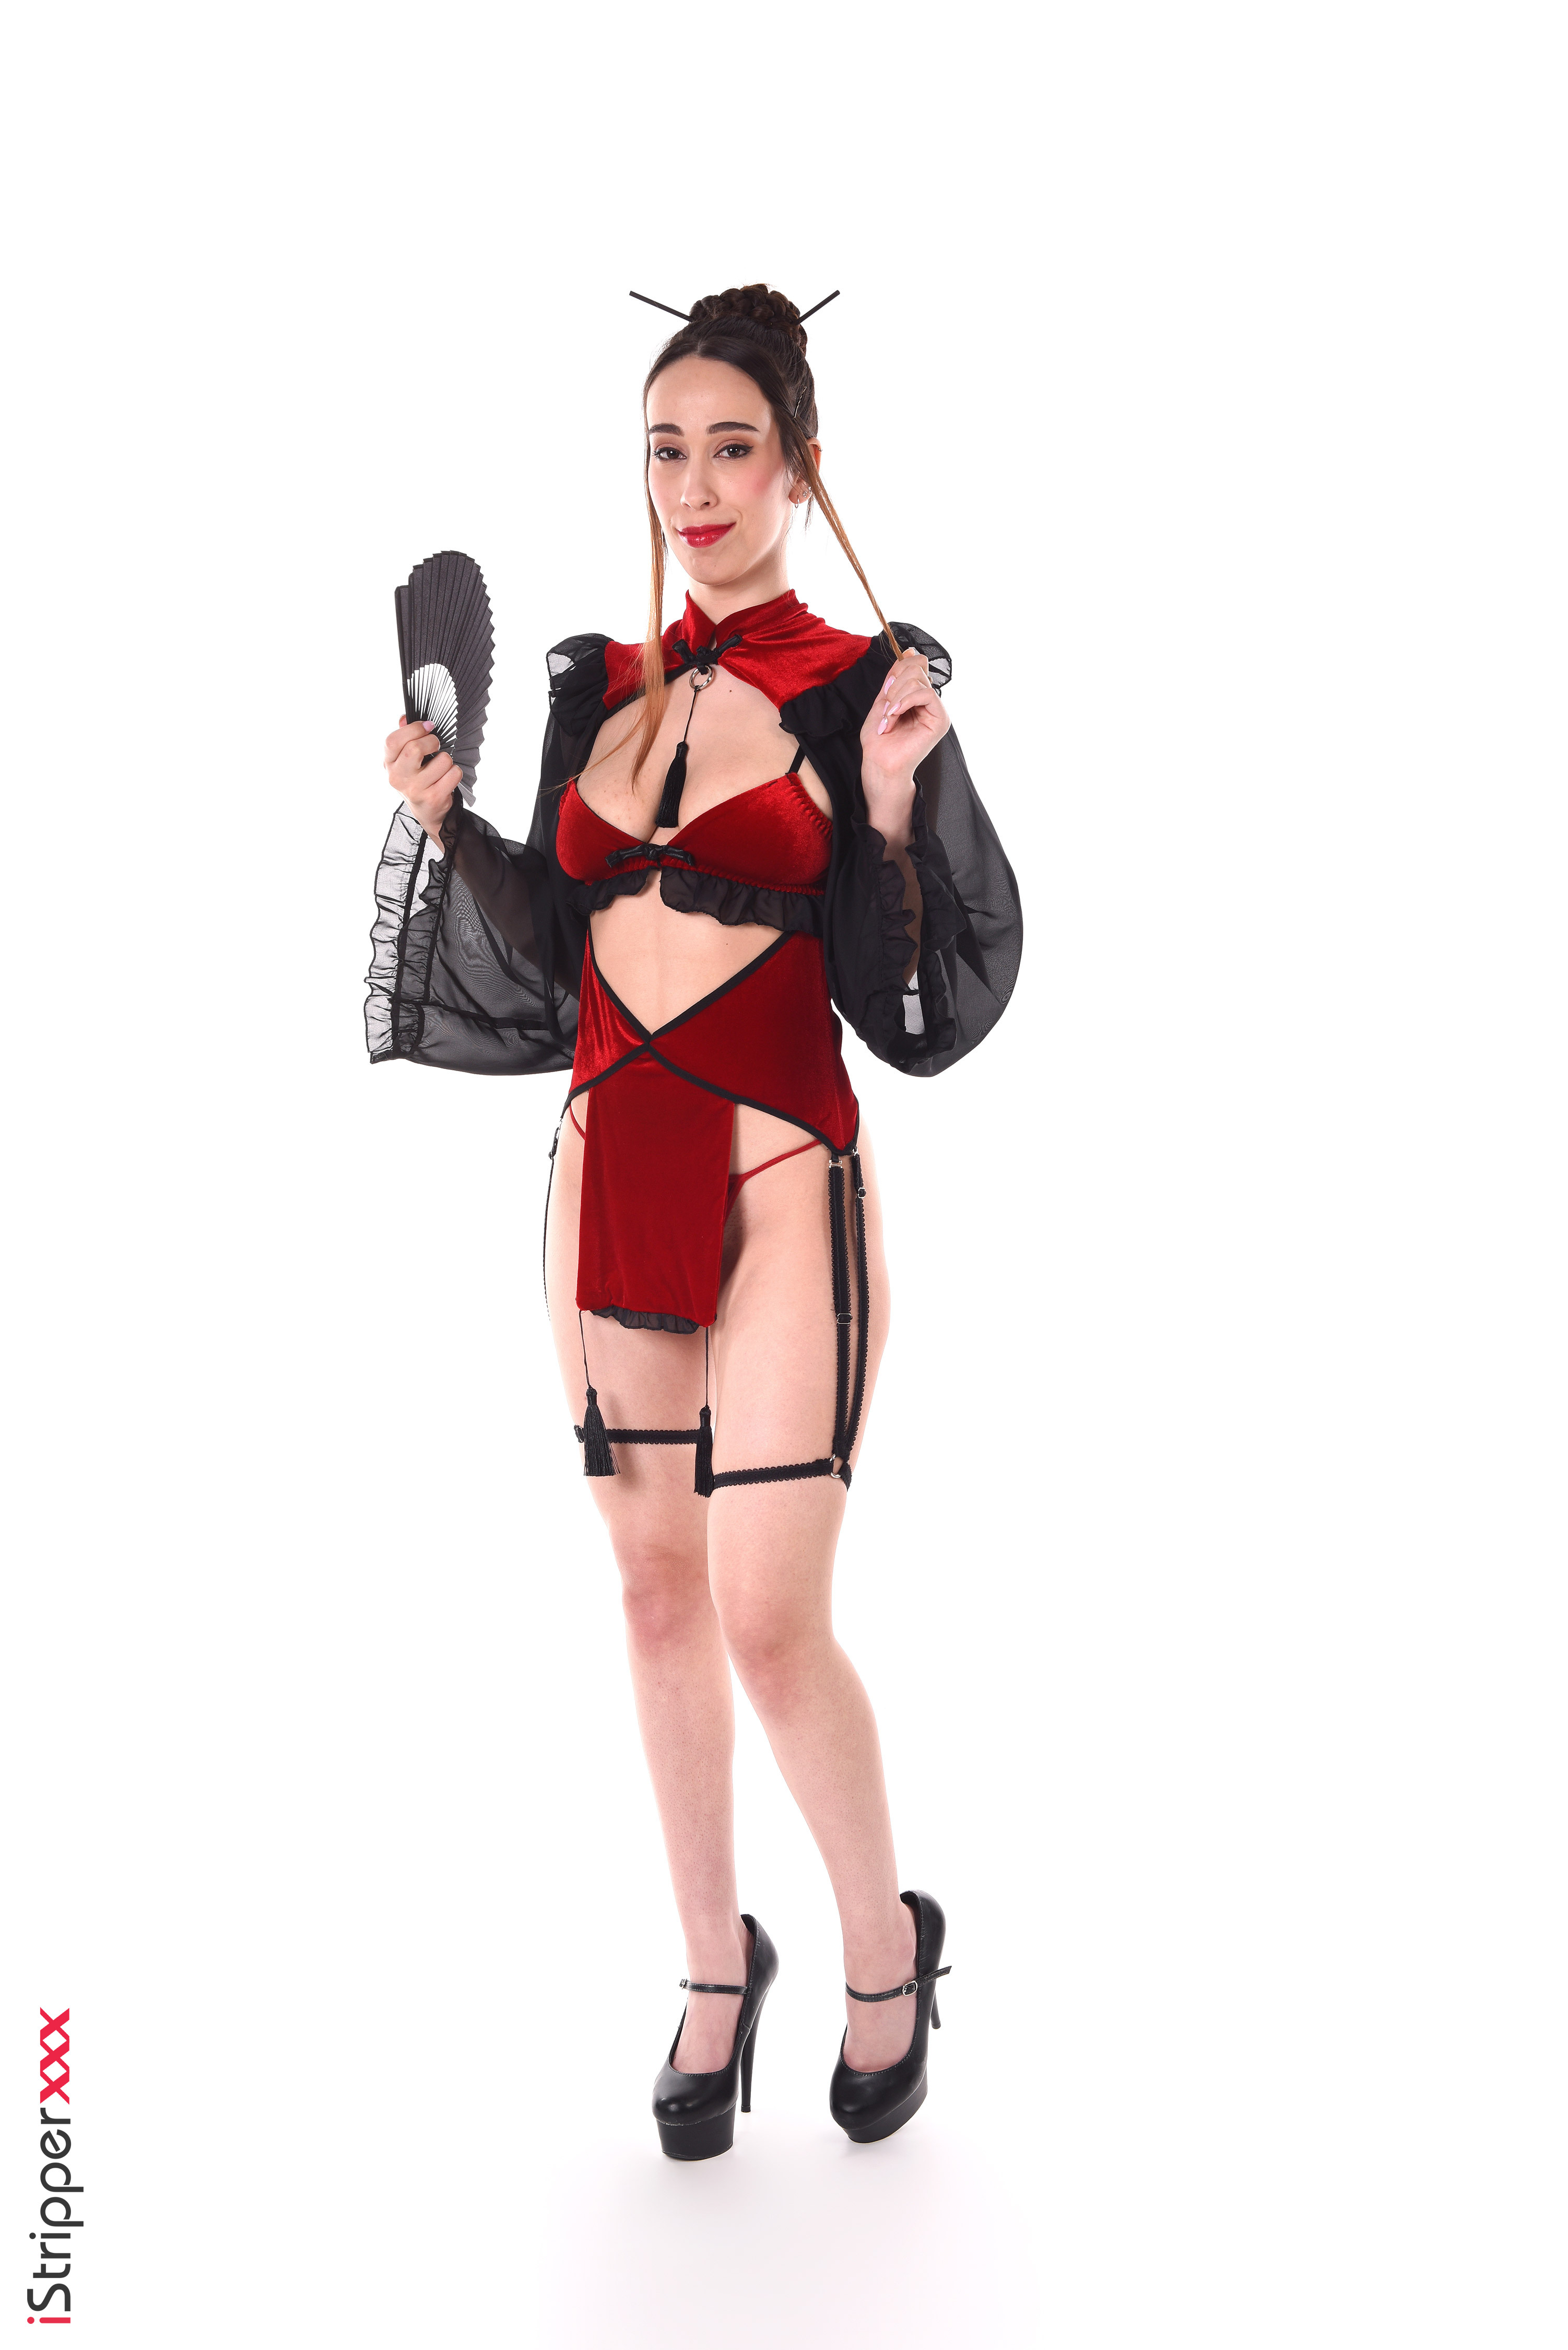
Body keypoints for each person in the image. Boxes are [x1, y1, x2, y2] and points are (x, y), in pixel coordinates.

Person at [367, 284, 1021, 2157]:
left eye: (734, 448)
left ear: (801, 468)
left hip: (779, 1172)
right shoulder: (609, 688)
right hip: (605, 1160)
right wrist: (452, 822)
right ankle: (713, 1965)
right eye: (668, 450)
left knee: (765, 1611)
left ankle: (886, 1946)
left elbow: (910, 1008)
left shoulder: (861, 687)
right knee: (653, 1592)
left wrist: (887, 807)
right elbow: (557, 952)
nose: (697, 487)